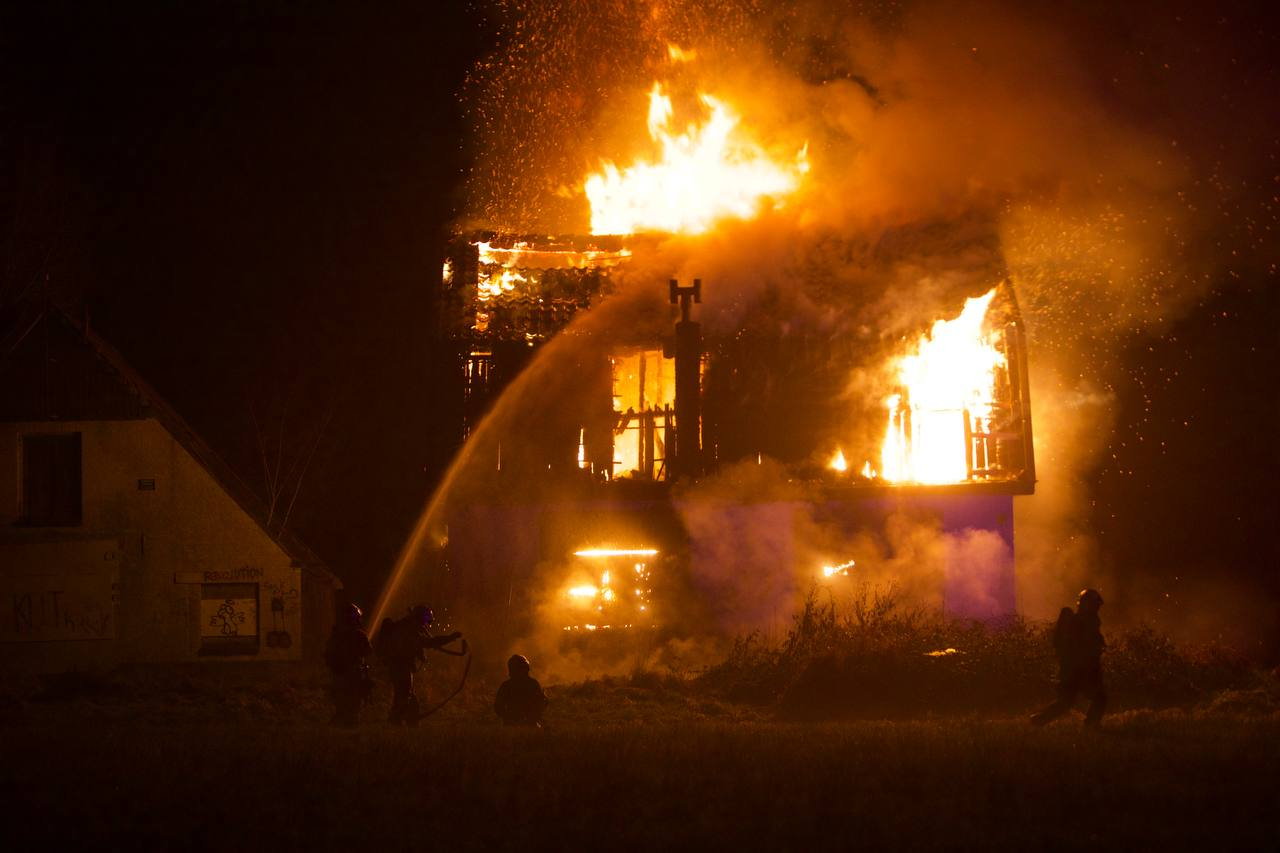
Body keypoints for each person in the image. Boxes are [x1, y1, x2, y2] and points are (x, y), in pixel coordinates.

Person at [376, 604, 463, 726]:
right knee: (403, 697)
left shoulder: (405, 628)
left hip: (400, 667)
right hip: (401, 668)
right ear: (418, 619)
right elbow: (428, 642)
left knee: (409, 699)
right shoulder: (406, 631)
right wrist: (450, 638)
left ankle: (410, 723)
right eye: (425, 622)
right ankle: (394, 722)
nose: (426, 626)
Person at [1032, 588, 1107, 727]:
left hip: (1075, 670)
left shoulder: (1087, 622)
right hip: (1080, 671)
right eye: (1095, 604)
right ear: (1087, 604)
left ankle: (1038, 720)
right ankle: (1091, 726)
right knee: (1099, 699)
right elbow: (1081, 649)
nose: (1097, 608)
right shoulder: (1081, 623)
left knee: (1065, 703)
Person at [324, 603, 374, 727]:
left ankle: (339, 720)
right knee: (354, 699)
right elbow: (368, 651)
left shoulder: (335, 635)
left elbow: (328, 652)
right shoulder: (359, 635)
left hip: (338, 673)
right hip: (354, 673)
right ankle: (350, 723)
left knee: (341, 699)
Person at [494, 654, 547, 727]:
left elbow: (540, 704)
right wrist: (510, 717)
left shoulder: (507, 685)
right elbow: (498, 707)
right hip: (515, 723)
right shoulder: (532, 684)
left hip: (526, 723)